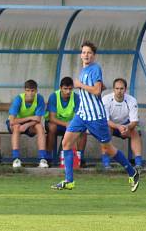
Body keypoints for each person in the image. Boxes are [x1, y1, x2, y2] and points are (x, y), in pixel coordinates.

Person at [52, 41, 140, 191]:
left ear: (94, 55)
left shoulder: (95, 68)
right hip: (82, 114)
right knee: (66, 144)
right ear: (81, 55)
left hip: (95, 116)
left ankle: (132, 172)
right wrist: (89, 85)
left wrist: (80, 85)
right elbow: (100, 87)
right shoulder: (84, 70)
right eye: (84, 52)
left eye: (89, 53)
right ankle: (69, 181)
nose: (86, 55)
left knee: (108, 148)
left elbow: (97, 91)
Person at [45, 76, 87, 166]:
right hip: (58, 124)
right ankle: (47, 157)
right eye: (65, 89)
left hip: (71, 124)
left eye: (70, 89)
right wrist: (66, 124)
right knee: (52, 127)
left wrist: (71, 125)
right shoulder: (53, 96)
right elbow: (52, 118)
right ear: (60, 88)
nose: (68, 91)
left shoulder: (76, 98)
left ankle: (79, 157)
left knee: (83, 130)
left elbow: (78, 116)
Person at [7, 79, 48, 168]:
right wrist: (29, 118)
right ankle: (16, 159)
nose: (30, 93)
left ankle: (42, 159)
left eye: (32, 91)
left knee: (40, 127)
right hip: (16, 124)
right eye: (28, 91)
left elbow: (38, 119)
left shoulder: (39, 98)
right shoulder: (19, 99)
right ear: (25, 91)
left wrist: (27, 124)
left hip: (30, 125)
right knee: (17, 126)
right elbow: (12, 121)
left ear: (36, 91)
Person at [102, 77, 143, 169]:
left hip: (126, 126)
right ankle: (106, 163)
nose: (119, 91)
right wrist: (118, 126)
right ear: (113, 89)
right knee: (106, 131)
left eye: (121, 88)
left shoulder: (132, 100)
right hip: (112, 125)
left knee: (135, 132)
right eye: (117, 88)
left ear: (125, 89)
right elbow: (106, 120)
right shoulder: (106, 99)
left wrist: (126, 127)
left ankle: (138, 163)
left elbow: (134, 121)